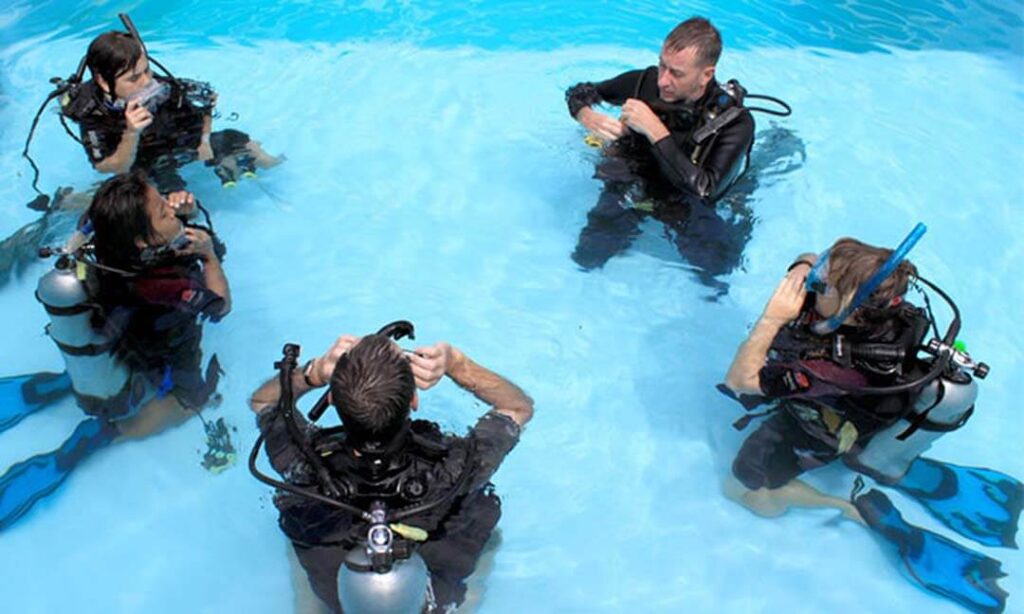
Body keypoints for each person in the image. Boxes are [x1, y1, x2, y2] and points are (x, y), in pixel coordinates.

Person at [721, 231, 1019, 613]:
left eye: (820, 284)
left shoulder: (829, 367)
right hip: (862, 410)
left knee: (744, 490)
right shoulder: (878, 303)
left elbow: (740, 380)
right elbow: (810, 257)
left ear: (852, 308)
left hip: (821, 431)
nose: (810, 283)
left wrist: (772, 318)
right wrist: (802, 267)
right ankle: (891, 470)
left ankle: (845, 505)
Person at [0, 171, 232, 532]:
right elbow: (220, 308)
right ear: (142, 241)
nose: (172, 208)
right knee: (194, 400)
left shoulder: (101, 243)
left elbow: (89, 221)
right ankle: (103, 436)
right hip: (155, 357)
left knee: (108, 355)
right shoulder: (168, 284)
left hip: (113, 336)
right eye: (163, 210)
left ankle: (67, 383)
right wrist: (208, 257)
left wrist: (174, 214)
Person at [249, 327, 534, 613]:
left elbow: (265, 401)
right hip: (440, 581)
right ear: (414, 400)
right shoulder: (455, 467)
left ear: (332, 400)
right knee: (481, 515)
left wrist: (314, 372)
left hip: (336, 586)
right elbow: (517, 407)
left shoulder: (305, 463)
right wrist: (456, 364)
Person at [565, 16, 755, 272]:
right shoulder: (644, 83)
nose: (663, 80)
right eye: (662, 65)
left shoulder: (734, 123)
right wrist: (586, 116)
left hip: (684, 201)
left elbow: (706, 190)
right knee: (586, 258)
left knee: (719, 267)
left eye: (676, 73)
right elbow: (578, 93)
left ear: (706, 75)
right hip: (632, 182)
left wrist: (655, 130)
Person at [61, 27, 282, 192]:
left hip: (175, 145)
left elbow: (206, 102)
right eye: (134, 79)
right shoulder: (93, 115)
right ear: (103, 81)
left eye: (147, 70)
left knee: (246, 143)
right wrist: (131, 133)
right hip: (141, 162)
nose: (147, 82)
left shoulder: (165, 88)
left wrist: (204, 142)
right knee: (131, 199)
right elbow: (107, 167)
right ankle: (73, 201)